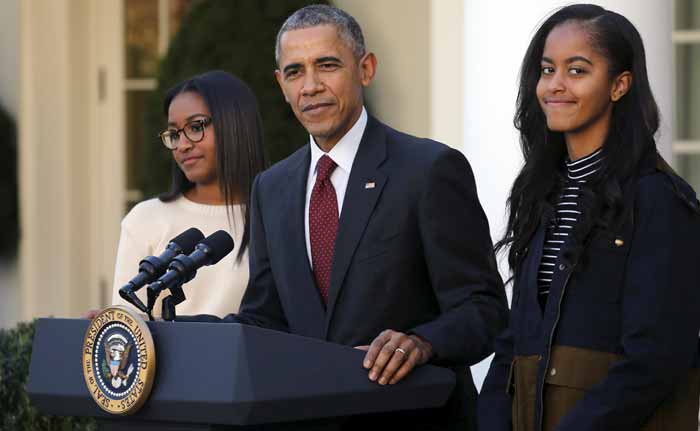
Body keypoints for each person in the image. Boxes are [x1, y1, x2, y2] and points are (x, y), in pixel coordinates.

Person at [183, 5, 507, 430]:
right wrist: (164, 334)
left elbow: (484, 310)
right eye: (295, 72)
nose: (311, 86)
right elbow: (265, 320)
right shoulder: (272, 187)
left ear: (365, 69)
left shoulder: (428, 170)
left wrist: (423, 342)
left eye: (327, 65)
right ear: (281, 84)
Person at [477, 4, 700, 431]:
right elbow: (514, 342)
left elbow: (655, 359)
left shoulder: (659, 199)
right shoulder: (541, 194)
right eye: (547, 70)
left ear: (619, 85)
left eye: (577, 71)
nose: (554, 86)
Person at [111, 70, 268, 318]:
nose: (182, 145)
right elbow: (128, 322)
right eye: (174, 134)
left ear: (235, 125)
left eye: (196, 127)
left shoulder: (275, 217)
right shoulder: (146, 218)